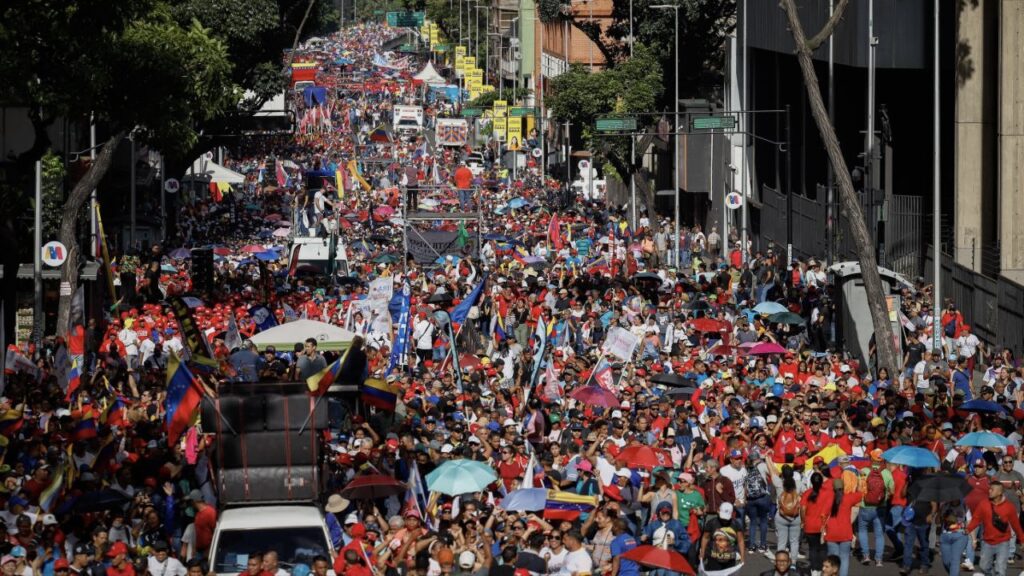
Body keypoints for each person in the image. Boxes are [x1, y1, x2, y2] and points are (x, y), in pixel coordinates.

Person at [965, 483, 1024, 576]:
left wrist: (1022, 540)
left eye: (992, 489)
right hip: (987, 542)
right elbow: (975, 519)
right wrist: (968, 529)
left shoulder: (1009, 507)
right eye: (989, 489)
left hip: (1003, 542)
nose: (989, 491)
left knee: (1000, 569)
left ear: (1000, 492)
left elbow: (1016, 525)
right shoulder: (983, 504)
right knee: (983, 566)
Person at [857, 449, 892, 567]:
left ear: (871, 458)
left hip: (865, 506)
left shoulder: (864, 471)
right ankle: (879, 560)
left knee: (862, 530)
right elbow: (892, 490)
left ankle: (866, 555)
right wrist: (884, 496)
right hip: (880, 507)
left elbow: (859, 488)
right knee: (879, 534)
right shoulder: (886, 473)